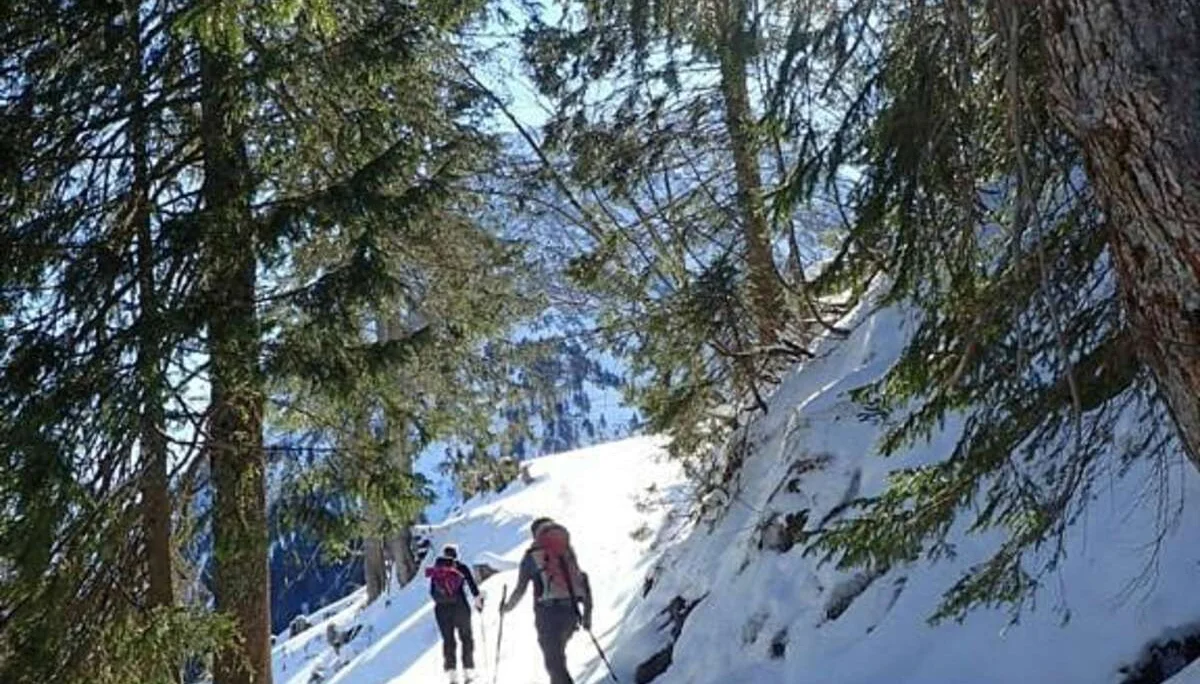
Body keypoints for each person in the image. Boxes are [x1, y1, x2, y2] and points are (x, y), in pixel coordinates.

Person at [500, 517, 593, 684]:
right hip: (571, 613)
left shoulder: (532, 556)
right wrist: (587, 616)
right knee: (557, 661)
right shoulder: (566, 551)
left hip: (548, 615)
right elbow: (582, 581)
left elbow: (520, 589)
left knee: (554, 663)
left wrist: (506, 608)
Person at [426, 544, 484, 683]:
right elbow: (473, 587)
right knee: (466, 637)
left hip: (441, 609)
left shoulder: (436, 570)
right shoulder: (461, 567)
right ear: (456, 555)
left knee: (448, 640)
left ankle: (452, 673)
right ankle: (468, 671)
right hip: (460, 607)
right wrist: (479, 602)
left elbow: (432, 591)